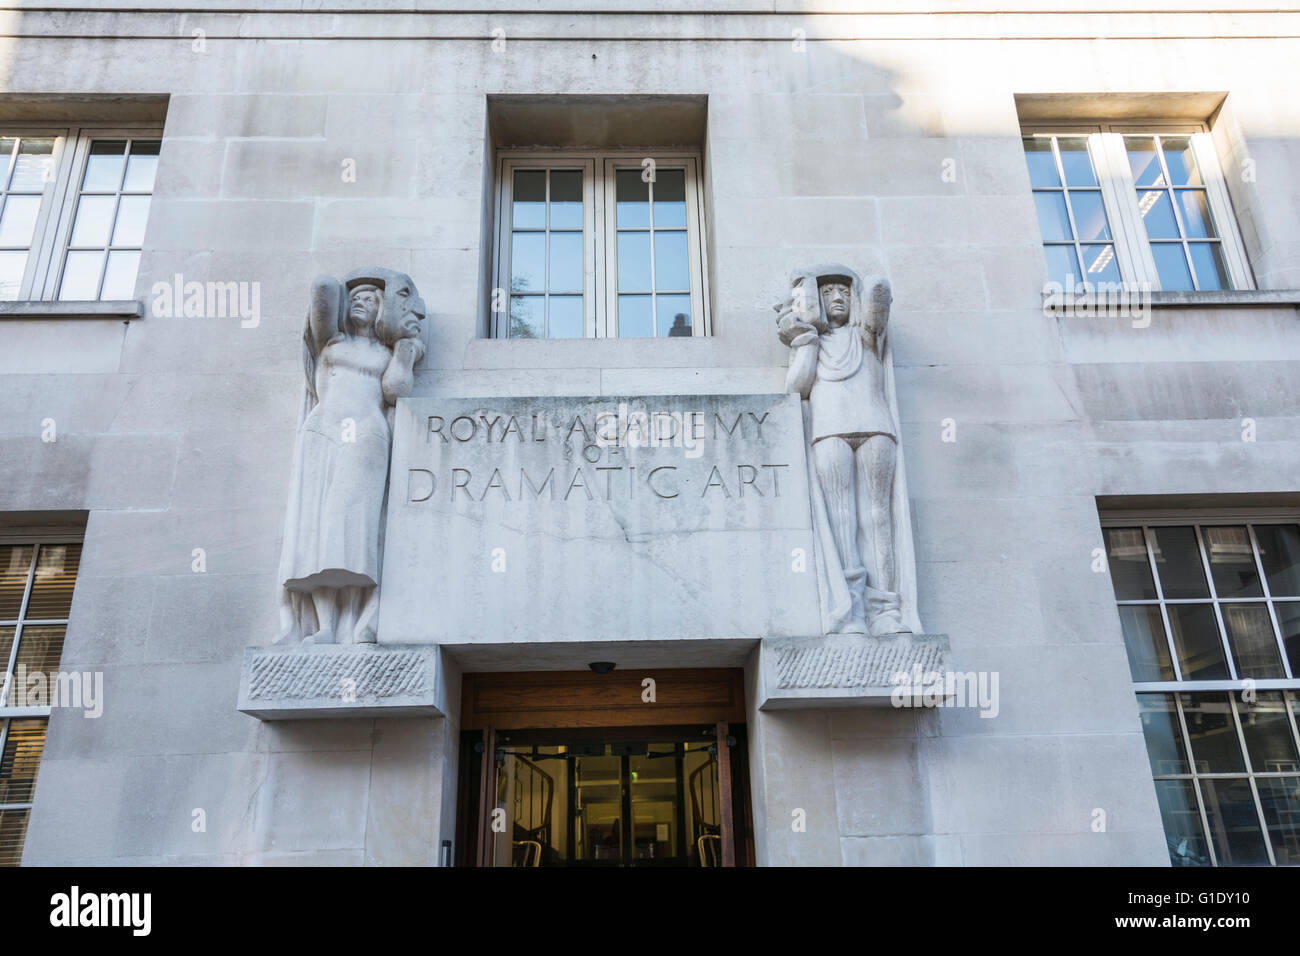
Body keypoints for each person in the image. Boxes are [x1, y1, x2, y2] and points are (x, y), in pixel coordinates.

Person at [275, 268, 425, 645]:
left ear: (382, 311)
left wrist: (404, 352)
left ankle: (356, 619)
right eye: (355, 298)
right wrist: (378, 280)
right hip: (323, 429)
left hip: (366, 431)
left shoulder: (385, 352)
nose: (361, 302)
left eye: (371, 300)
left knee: (352, 528)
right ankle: (325, 626)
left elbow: (395, 391)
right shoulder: (331, 342)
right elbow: (322, 288)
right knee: (318, 530)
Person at [777, 267, 922, 636]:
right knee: (842, 520)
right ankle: (852, 609)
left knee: (877, 518)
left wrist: (846, 285)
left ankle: (886, 610)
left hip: (875, 427)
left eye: (843, 291)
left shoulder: (867, 336)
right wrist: (804, 335)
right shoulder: (812, 341)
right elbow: (796, 387)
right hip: (829, 430)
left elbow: (878, 294)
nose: (836, 297)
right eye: (827, 293)